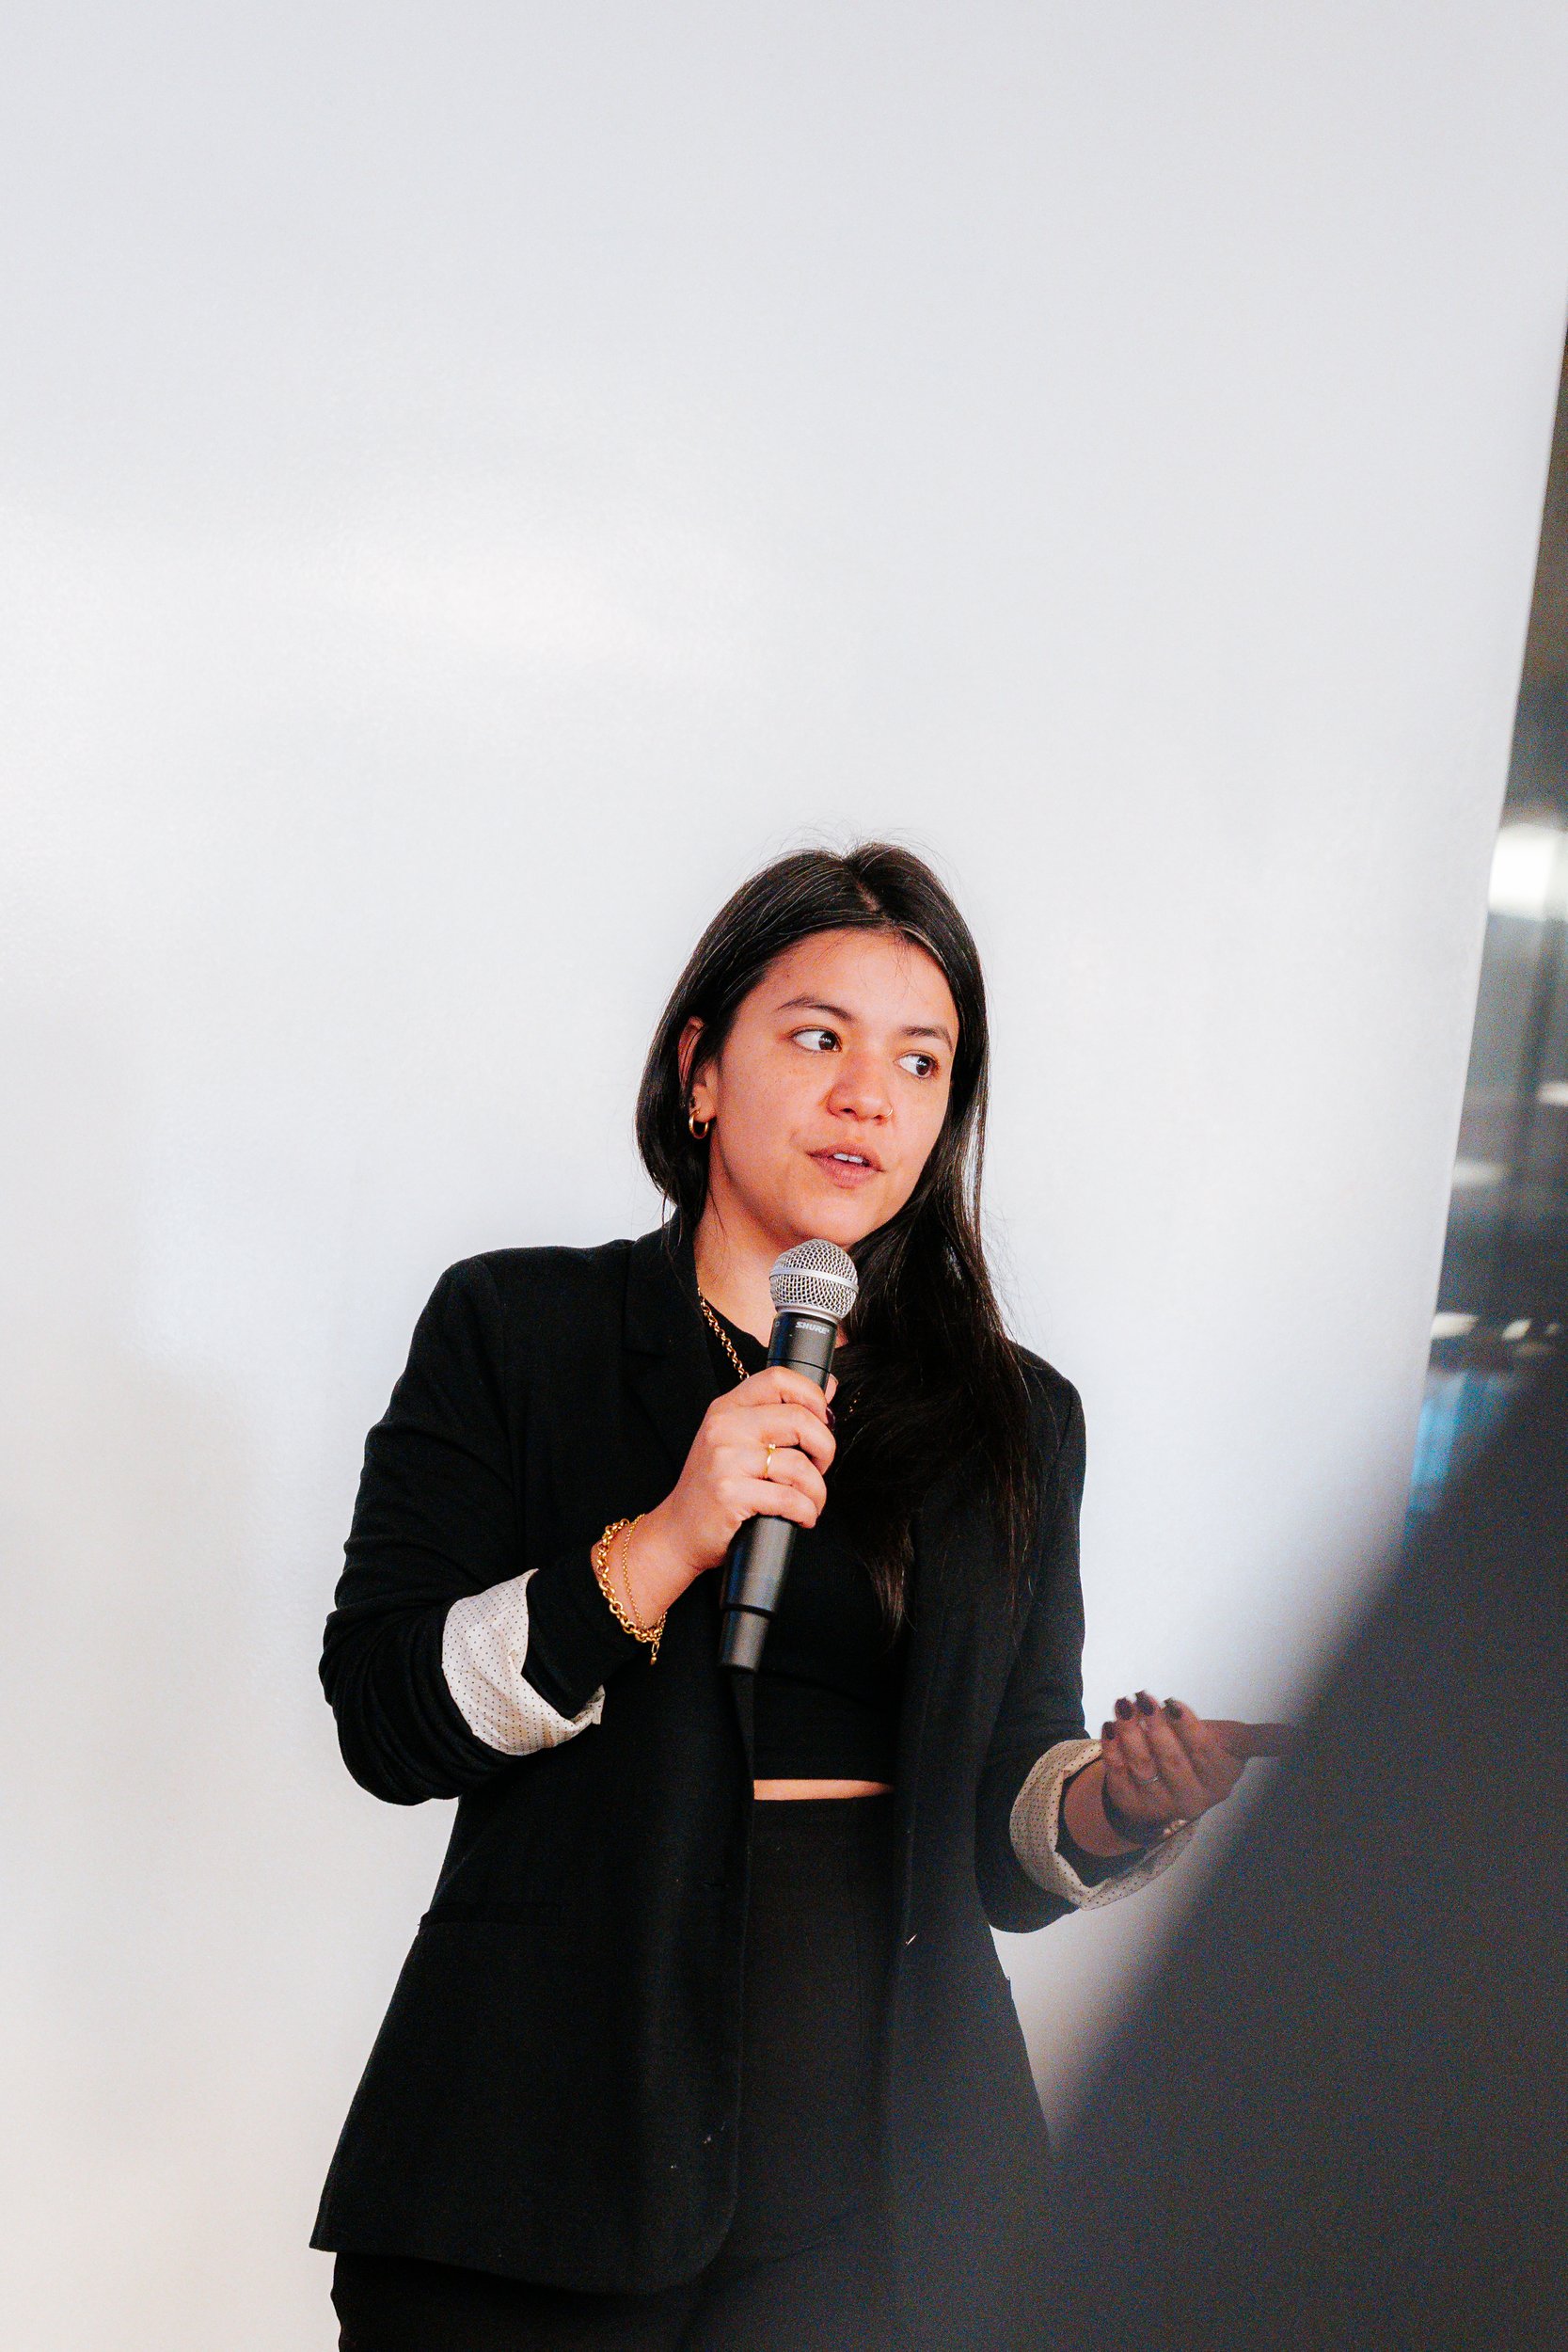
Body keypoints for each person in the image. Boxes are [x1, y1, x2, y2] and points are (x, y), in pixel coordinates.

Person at [310, 842, 1249, 2352]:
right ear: (701, 1067)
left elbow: (1009, 1820)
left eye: (920, 1062)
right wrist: (665, 1541)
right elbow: (386, 1719)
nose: (868, 1096)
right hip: (537, 2150)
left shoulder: (1015, 1421)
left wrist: (1115, 1807)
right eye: (819, 1038)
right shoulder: (517, 1327)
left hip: (880, 2184)